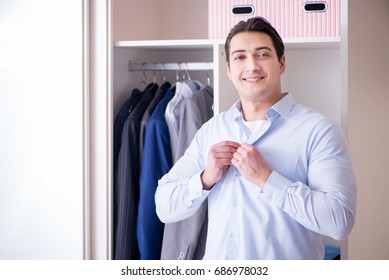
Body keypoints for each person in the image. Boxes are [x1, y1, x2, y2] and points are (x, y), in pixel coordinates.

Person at [155, 16, 356, 260]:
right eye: (240, 57)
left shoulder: (319, 131)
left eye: (262, 55)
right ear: (229, 70)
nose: (252, 66)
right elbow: (164, 206)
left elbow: (339, 222)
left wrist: (268, 179)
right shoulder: (212, 130)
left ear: (281, 63)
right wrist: (205, 179)